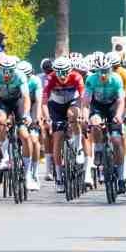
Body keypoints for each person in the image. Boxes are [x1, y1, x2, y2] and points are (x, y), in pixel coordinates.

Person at [0, 55, 38, 190]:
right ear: (0, 70)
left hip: (17, 103)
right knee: (0, 120)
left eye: (10, 72)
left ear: (14, 70)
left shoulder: (20, 76)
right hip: (2, 103)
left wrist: (26, 114)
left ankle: (28, 176)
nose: (7, 75)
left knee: (25, 136)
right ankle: (5, 157)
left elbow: (26, 98)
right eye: (4, 71)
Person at [43, 55, 89, 191]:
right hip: (55, 106)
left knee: (73, 115)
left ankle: (78, 145)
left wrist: (82, 113)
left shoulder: (76, 77)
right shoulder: (50, 78)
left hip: (72, 103)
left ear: (70, 70)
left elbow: (83, 97)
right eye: (59, 73)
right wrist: (47, 118)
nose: (62, 76)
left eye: (65, 73)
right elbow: (44, 102)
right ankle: (58, 176)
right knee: (57, 139)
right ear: (55, 71)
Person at [84, 53, 126, 189]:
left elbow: (121, 101)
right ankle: (98, 149)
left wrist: (119, 115)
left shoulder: (116, 79)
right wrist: (86, 117)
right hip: (97, 106)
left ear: (110, 70)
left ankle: (121, 175)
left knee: (116, 141)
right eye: (100, 72)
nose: (103, 75)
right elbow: (86, 103)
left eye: (106, 71)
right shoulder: (91, 79)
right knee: (95, 124)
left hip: (112, 106)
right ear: (96, 71)